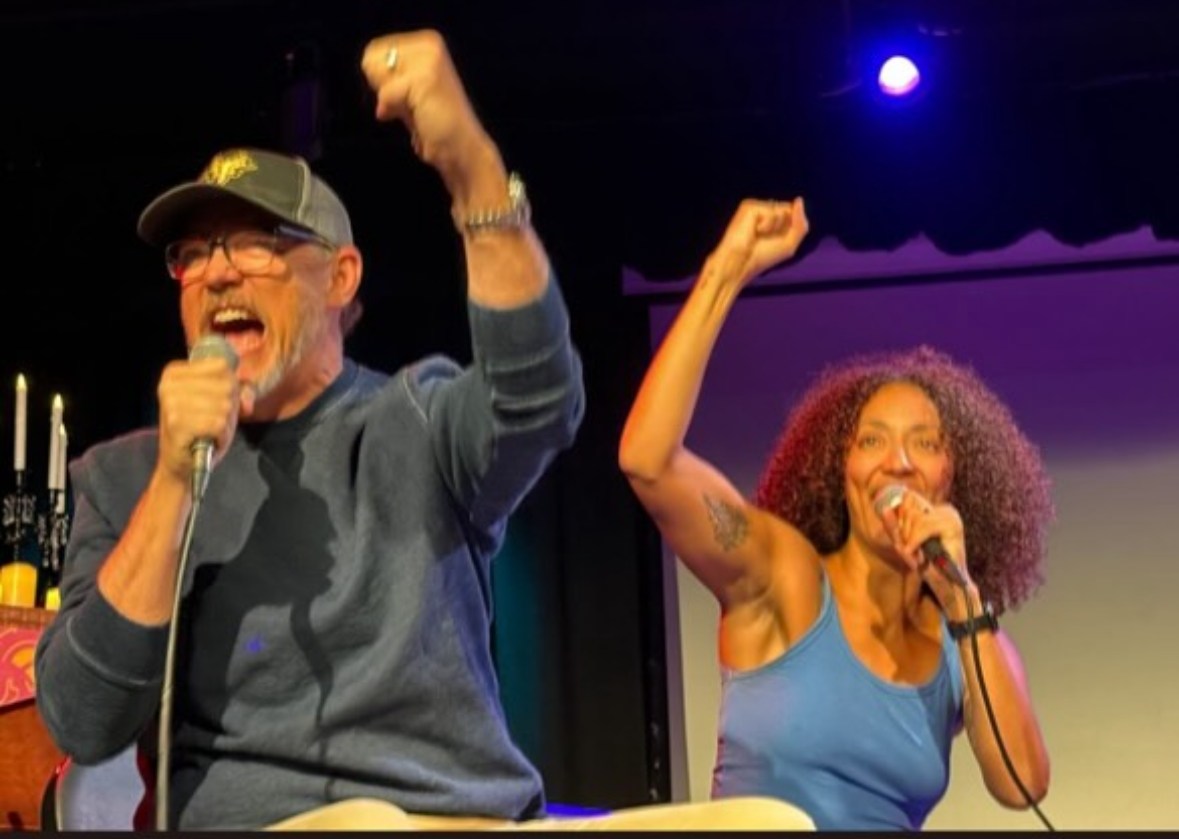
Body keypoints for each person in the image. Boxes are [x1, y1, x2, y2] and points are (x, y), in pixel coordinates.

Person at [34, 30, 813, 832]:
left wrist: (469, 164)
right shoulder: (121, 477)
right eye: (192, 254)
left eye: (259, 245)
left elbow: (537, 399)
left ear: (340, 277)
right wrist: (173, 481)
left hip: (472, 820)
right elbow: (82, 720)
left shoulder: (413, 417)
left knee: (768, 823)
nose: (219, 271)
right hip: (299, 824)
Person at [619, 197, 1054, 830]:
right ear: (841, 470)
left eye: (924, 444)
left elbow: (1023, 786)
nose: (897, 462)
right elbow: (648, 462)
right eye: (872, 441)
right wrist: (726, 271)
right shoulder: (784, 578)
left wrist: (963, 605)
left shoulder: (965, 634)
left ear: (950, 477)